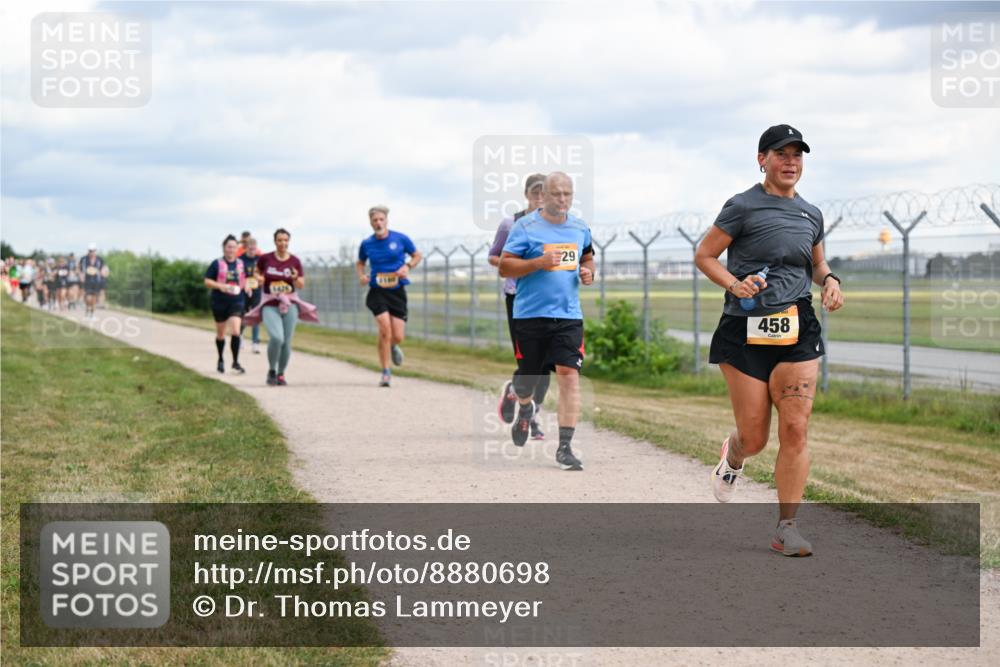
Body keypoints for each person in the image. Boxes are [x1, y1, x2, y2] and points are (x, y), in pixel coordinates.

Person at [695, 124, 844, 557]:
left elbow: (816, 263)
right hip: (744, 329)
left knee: (795, 427)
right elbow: (705, 255)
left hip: (797, 324)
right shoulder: (742, 206)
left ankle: (786, 527)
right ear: (762, 159)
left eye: (798, 155)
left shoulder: (811, 213)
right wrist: (734, 283)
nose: (791, 162)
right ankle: (735, 454)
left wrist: (830, 280)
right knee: (756, 437)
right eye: (782, 154)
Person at [499, 172, 594, 470]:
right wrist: (537, 263)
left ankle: (565, 446)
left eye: (568, 194)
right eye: (557, 194)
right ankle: (524, 409)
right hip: (529, 315)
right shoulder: (525, 227)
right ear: (545, 194)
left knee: (569, 374)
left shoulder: (580, 228)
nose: (562, 199)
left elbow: (587, 257)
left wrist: (589, 272)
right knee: (529, 380)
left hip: (568, 316)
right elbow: (504, 266)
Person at [489, 173, 549, 439]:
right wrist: (518, 265)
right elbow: (494, 257)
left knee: (546, 363)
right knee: (529, 361)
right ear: (526, 194)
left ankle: (531, 416)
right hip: (518, 297)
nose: (539, 198)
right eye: (535, 193)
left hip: (548, 299)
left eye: (543, 193)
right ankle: (516, 391)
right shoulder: (510, 223)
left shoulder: (556, 226)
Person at [356, 205, 422, 387]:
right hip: (377, 291)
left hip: (397, 290)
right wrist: (361, 275)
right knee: (385, 330)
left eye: (381, 219)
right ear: (370, 222)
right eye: (375, 220)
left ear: (386, 220)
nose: (378, 223)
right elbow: (360, 262)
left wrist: (408, 267)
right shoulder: (367, 243)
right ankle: (385, 371)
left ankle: (392, 346)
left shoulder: (400, 238)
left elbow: (417, 255)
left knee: (397, 335)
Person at [243, 228, 318, 386]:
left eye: (285, 240)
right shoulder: (265, 258)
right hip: (270, 303)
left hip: (289, 303)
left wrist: (295, 277)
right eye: (280, 240)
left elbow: (301, 285)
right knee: (277, 338)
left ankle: (281, 374)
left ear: (288, 241)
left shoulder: (295, 261)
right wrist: (258, 278)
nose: (283, 243)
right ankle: (271, 370)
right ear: (275, 241)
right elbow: (256, 273)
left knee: (286, 342)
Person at [203, 235, 247, 374]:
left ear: (237, 249)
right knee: (221, 334)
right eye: (229, 247)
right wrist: (220, 286)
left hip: (237, 300)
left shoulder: (241, 263)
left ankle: (235, 362)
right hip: (219, 301)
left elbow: (244, 280)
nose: (231, 250)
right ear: (224, 248)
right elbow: (207, 281)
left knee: (235, 330)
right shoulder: (216, 264)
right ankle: (221, 358)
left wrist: (248, 287)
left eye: (234, 247)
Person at [240, 236, 263, 354]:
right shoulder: (240, 260)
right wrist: (245, 285)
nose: (252, 251)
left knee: (255, 316)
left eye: (254, 249)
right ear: (246, 248)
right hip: (243, 291)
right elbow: (238, 276)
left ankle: (255, 343)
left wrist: (260, 280)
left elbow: (264, 275)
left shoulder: (260, 260)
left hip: (256, 291)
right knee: (243, 315)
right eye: (250, 249)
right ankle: (240, 336)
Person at [79, 244, 106, 320]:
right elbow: (79, 269)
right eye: (90, 251)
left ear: (95, 251)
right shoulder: (84, 259)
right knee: (88, 298)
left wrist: (103, 273)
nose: (91, 252)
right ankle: (87, 311)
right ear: (88, 251)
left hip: (96, 281)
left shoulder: (100, 259)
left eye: (93, 251)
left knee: (94, 298)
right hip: (87, 281)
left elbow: (103, 269)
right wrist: (81, 275)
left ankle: (92, 314)